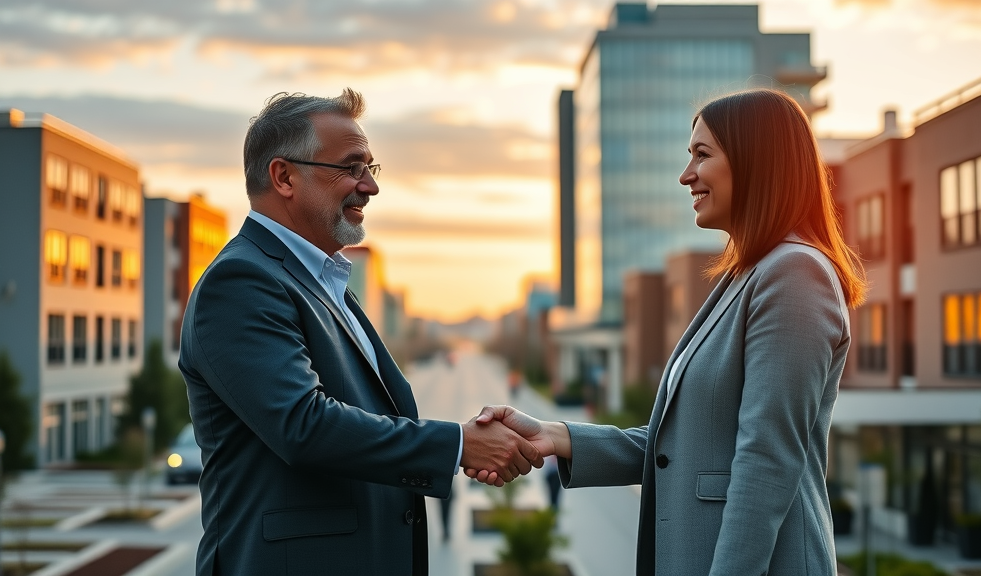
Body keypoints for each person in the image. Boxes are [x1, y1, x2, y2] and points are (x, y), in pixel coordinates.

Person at [468, 88, 866, 576]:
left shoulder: (795, 274)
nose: (687, 175)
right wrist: (555, 435)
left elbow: (767, 461)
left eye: (703, 155)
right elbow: (681, 445)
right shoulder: (746, 276)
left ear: (757, 162)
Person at [178, 89, 541, 576]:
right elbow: (304, 425)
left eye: (371, 168)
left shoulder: (323, 282)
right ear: (284, 176)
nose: (368, 186)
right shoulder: (241, 282)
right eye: (351, 168)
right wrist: (457, 445)